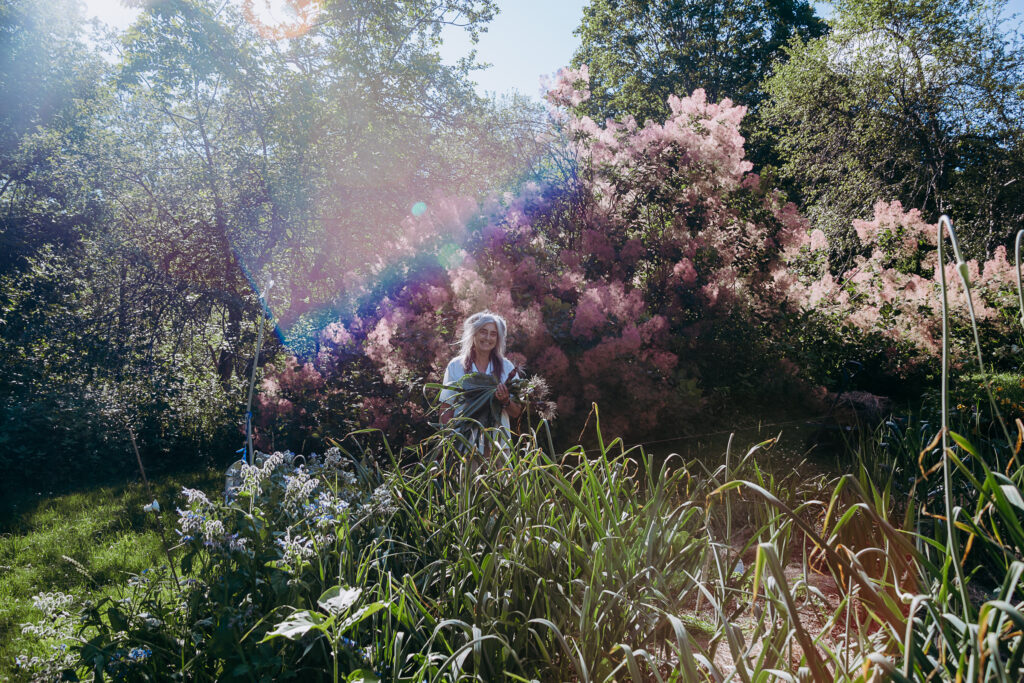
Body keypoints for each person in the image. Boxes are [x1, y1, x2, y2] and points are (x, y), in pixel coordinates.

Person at [438, 311, 522, 452]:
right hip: (465, 446)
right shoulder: (456, 366)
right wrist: (450, 440)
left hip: (498, 445)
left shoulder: (507, 367)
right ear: (474, 333)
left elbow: (516, 412)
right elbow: (446, 408)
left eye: (493, 334)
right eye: (483, 332)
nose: (488, 338)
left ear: (498, 338)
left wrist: (505, 401)